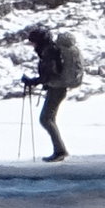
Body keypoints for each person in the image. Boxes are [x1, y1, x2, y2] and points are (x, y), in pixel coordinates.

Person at [22, 22, 81, 159]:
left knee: (45, 119)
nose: (33, 46)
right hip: (57, 87)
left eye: (33, 42)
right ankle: (59, 150)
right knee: (49, 119)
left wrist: (33, 81)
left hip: (57, 88)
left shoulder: (49, 52)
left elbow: (50, 73)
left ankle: (60, 151)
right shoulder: (49, 50)